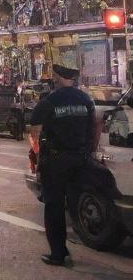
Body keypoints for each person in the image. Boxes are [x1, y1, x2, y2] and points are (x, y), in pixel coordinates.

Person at [29, 62, 101, 266]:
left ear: (59, 77)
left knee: (54, 207)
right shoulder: (85, 99)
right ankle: (81, 239)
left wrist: (37, 155)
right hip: (80, 159)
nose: (52, 79)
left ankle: (58, 254)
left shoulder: (50, 100)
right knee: (76, 202)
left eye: (54, 76)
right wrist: (90, 151)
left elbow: (34, 131)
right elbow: (95, 126)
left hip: (56, 161)